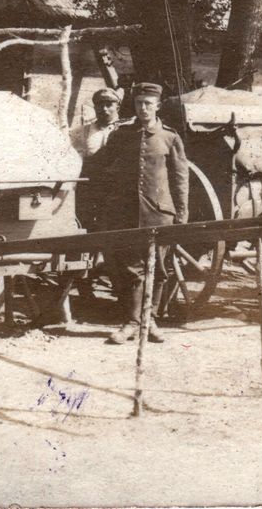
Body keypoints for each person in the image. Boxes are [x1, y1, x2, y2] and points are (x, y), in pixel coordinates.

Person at [84, 82, 190, 345]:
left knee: (160, 269)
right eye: (139, 103)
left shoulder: (170, 137)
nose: (143, 108)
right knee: (133, 269)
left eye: (148, 104)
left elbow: (180, 179)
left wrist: (182, 212)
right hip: (128, 214)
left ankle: (150, 320)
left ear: (157, 106)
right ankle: (132, 322)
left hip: (160, 214)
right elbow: (106, 173)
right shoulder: (121, 135)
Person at [69, 87, 123, 160]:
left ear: (117, 108)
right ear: (95, 108)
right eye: (100, 105)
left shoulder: (125, 130)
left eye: (108, 105)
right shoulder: (81, 132)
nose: (104, 109)